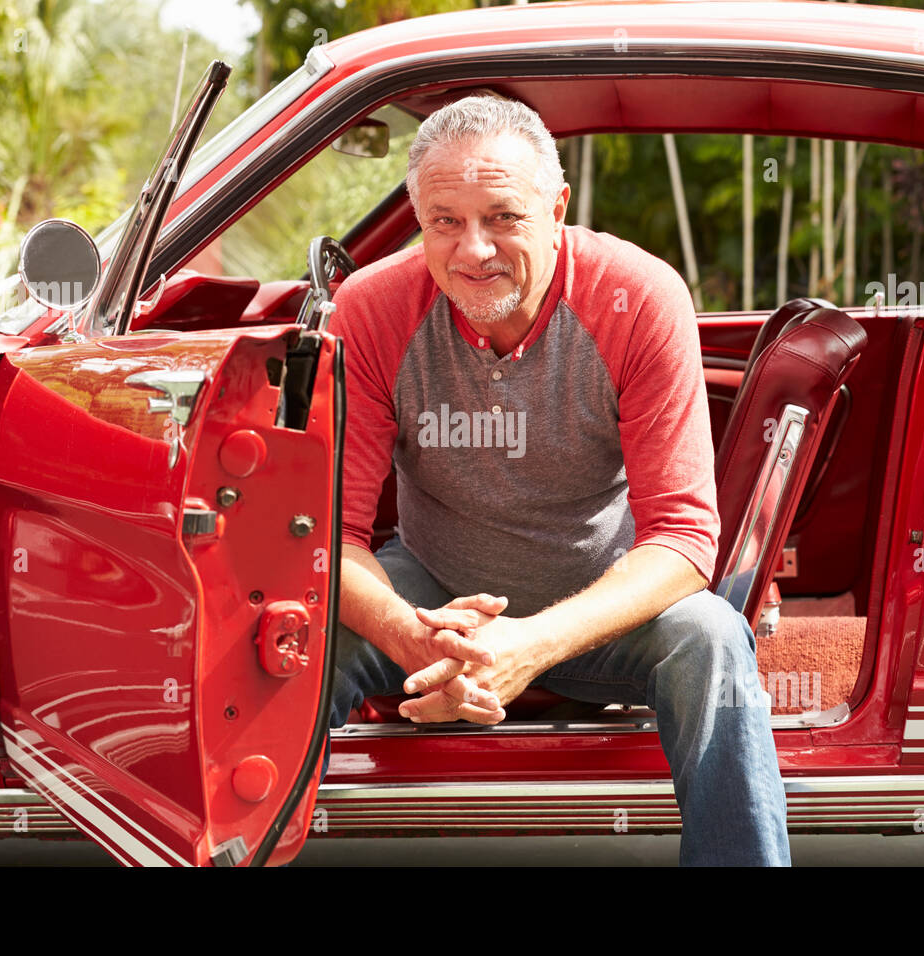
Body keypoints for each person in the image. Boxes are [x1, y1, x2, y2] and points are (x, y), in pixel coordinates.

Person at [323, 94, 790, 866]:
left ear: (557, 206)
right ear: (417, 218)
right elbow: (328, 535)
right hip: (431, 587)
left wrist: (528, 647)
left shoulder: (639, 296)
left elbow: (683, 541)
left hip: (602, 599)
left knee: (711, 640)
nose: (473, 250)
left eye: (503, 216)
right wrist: (410, 637)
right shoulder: (369, 309)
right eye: (445, 221)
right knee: (295, 638)